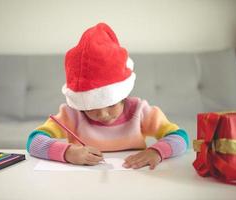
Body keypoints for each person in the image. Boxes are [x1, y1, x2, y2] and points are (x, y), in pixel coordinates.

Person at [26, 23, 189, 169]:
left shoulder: (140, 111)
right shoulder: (72, 114)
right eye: (92, 107)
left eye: (111, 104)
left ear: (123, 95)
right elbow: (34, 141)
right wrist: (69, 153)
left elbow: (180, 137)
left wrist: (156, 152)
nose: (103, 114)